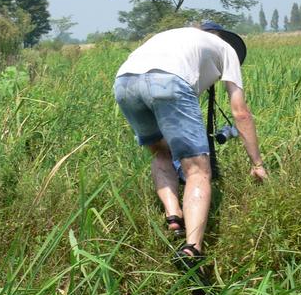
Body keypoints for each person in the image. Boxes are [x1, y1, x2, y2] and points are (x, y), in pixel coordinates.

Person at [113, 22, 267, 270]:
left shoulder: (175, 36)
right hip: (168, 80)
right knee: (197, 170)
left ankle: (173, 214)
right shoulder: (227, 50)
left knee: (162, 151)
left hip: (124, 83)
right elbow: (241, 113)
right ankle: (192, 248)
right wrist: (257, 163)